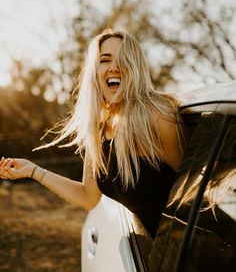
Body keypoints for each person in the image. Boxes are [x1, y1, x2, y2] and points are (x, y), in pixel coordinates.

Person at [0, 29, 186, 238]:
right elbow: (89, 197)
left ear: (136, 68)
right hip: (162, 252)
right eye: (105, 60)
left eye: (124, 59)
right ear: (94, 71)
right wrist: (33, 170)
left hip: (192, 248)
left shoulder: (158, 115)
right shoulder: (99, 130)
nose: (114, 67)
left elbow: (191, 194)